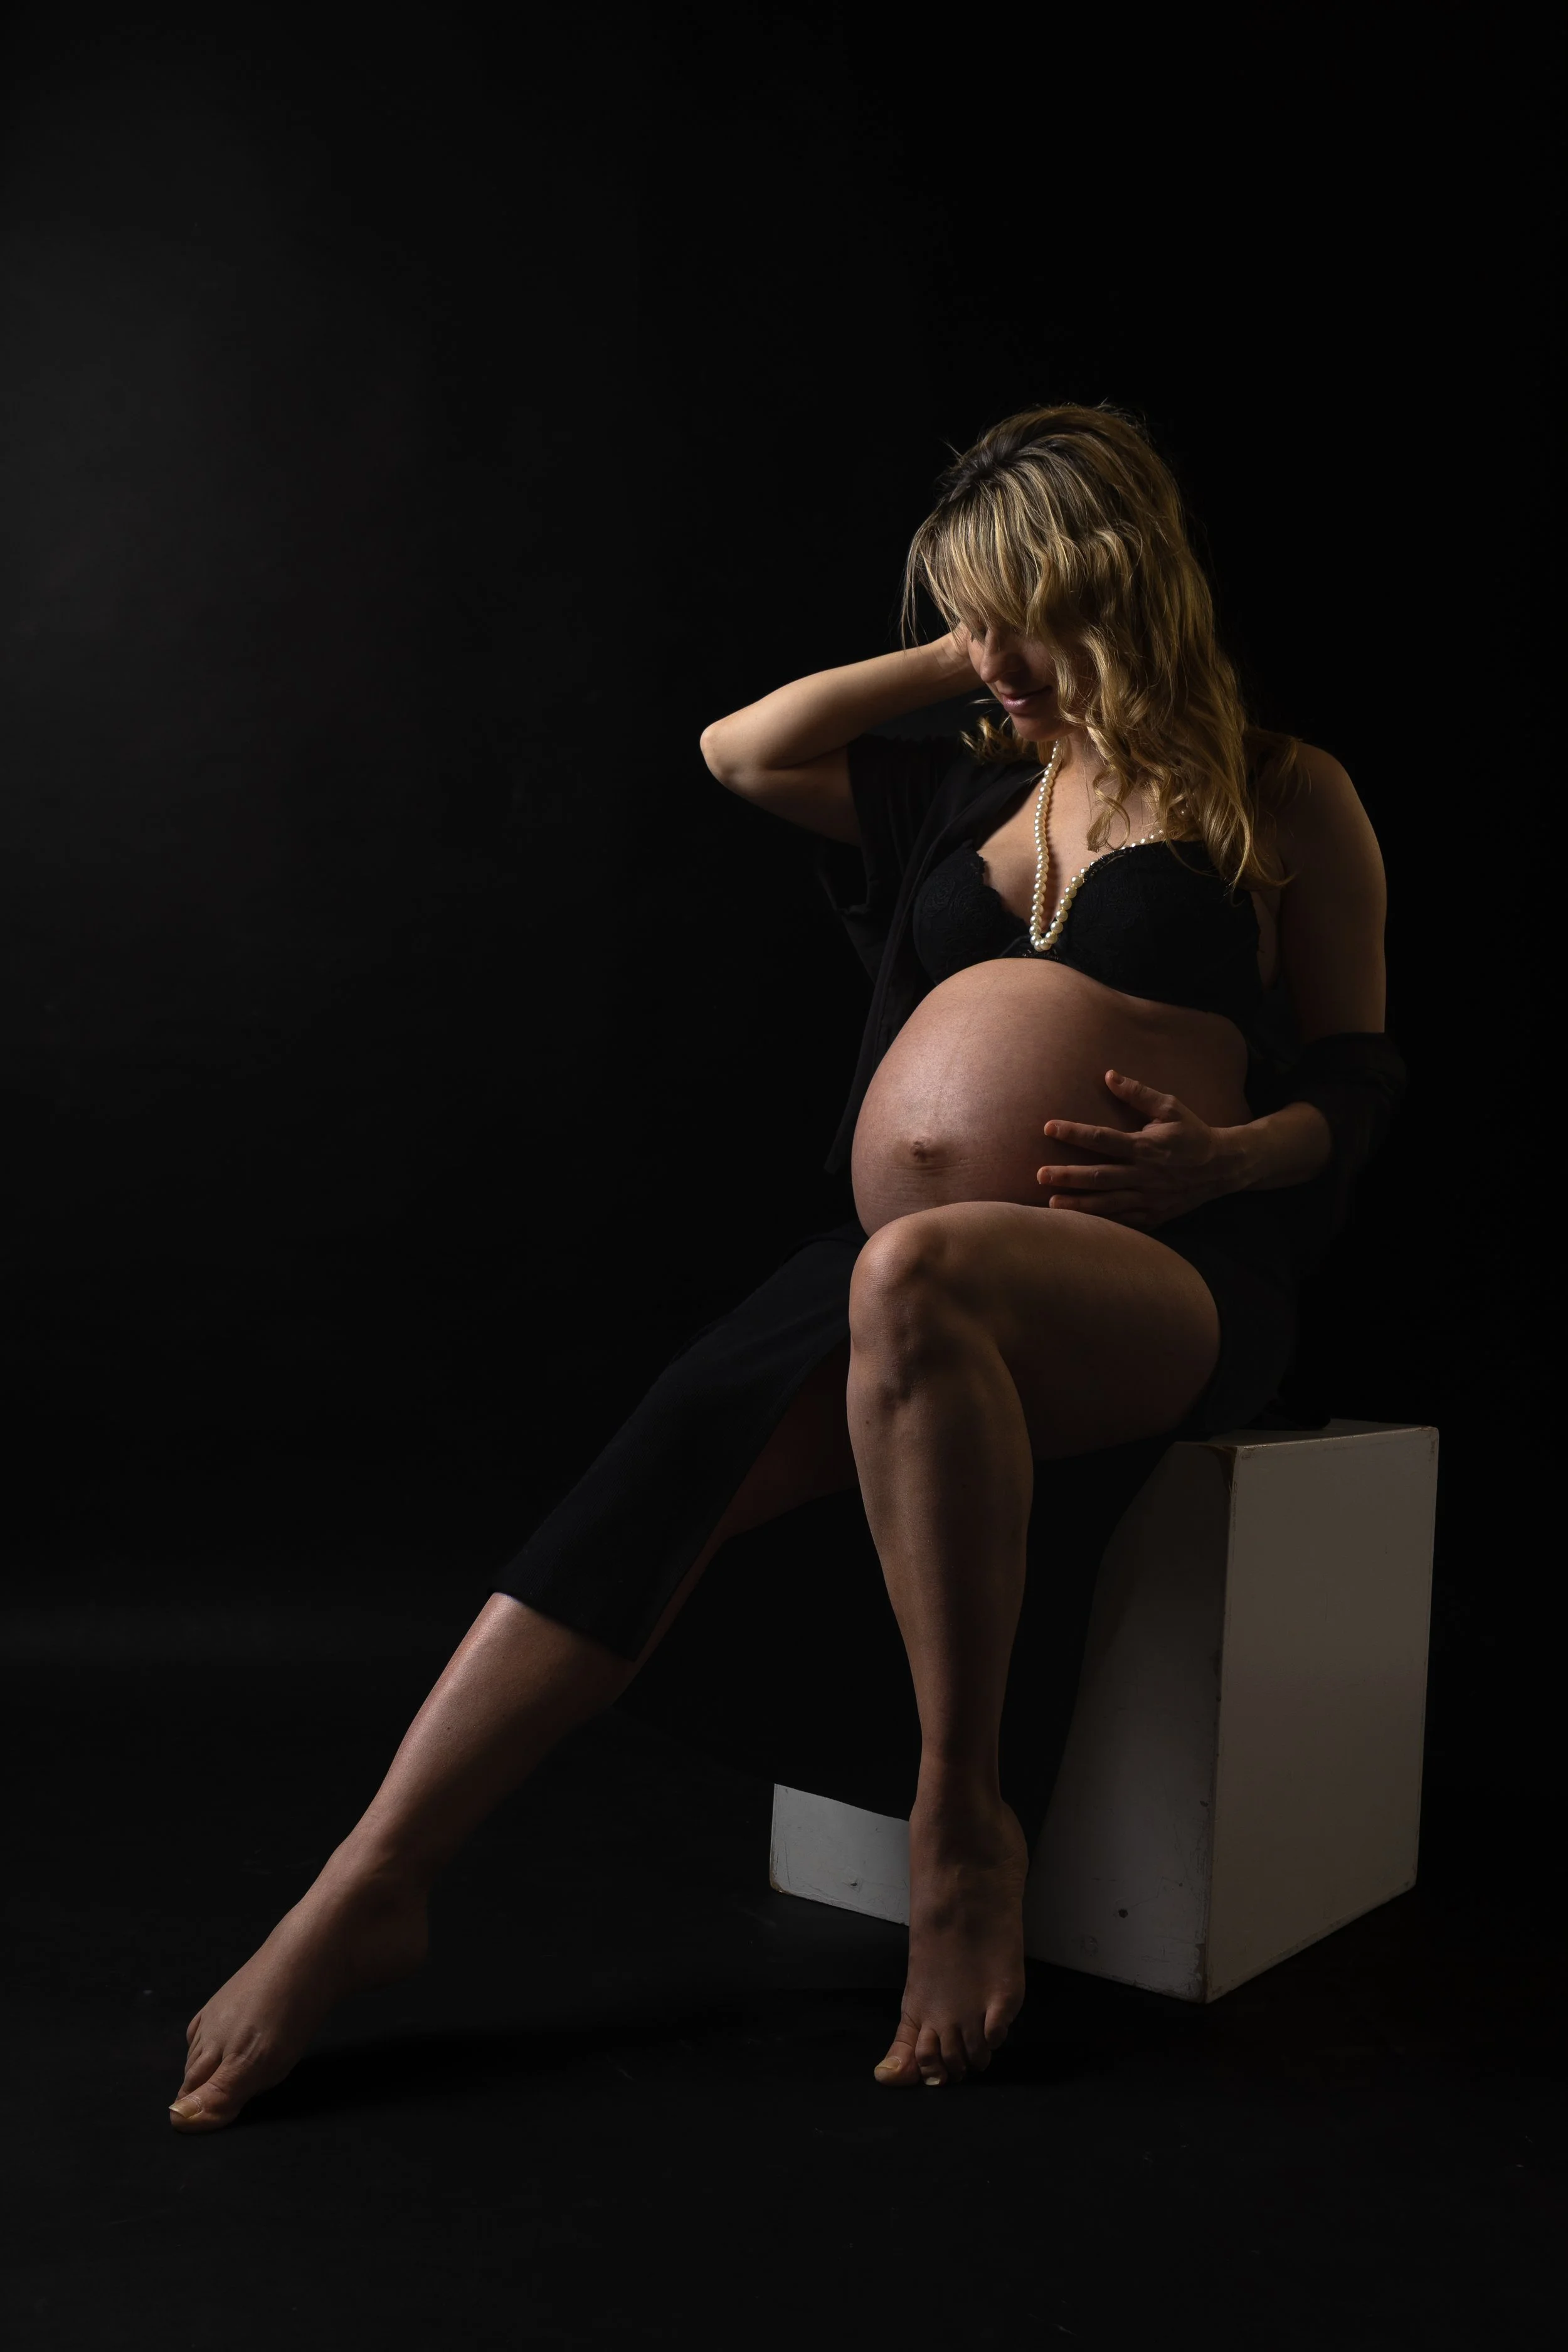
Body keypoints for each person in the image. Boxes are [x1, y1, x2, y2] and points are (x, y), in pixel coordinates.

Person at [168, 402, 1403, 2128]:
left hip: (1172, 1277)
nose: (987, 656)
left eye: (1016, 611)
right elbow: (740, 747)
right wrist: (966, 664)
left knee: (909, 1284)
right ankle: (369, 1882)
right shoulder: (964, 783)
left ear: (1117, 585)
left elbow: (1357, 1077)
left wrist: (1226, 1154)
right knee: (671, 1445)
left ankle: (959, 1825)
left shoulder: (1282, 792)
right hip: (899, 1266)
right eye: (963, 616)